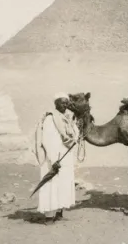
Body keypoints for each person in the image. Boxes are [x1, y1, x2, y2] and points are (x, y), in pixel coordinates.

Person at [37, 93, 79, 224]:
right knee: (51, 185)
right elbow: (47, 141)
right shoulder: (51, 119)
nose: (65, 105)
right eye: (62, 102)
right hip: (54, 159)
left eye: (67, 102)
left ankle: (59, 212)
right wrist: (53, 159)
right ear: (56, 103)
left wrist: (73, 123)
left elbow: (75, 136)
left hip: (65, 157)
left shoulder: (65, 118)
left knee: (64, 184)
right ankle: (49, 217)